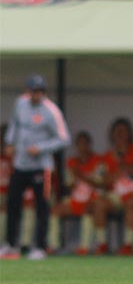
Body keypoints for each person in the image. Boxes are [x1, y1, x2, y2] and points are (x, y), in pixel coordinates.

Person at [0, 74, 70, 260]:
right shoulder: (20, 104)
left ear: (44, 93)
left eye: (39, 91)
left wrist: (40, 148)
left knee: (42, 206)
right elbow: (14, 124)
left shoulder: (51, 111)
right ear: (27, 91)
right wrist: (9, 142)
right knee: (13, 203)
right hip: (20, 164)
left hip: (41, 167)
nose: (36, 95)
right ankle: (11, 245)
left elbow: (64, 139)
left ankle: (39, 247)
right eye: (33, 91)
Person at [93, 117, 133, 255]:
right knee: (99, 203)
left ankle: (128, 246)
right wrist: (116, 173)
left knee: (130, 203)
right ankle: (102, 244)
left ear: (130, 134)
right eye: (117, 132)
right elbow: (102, 181)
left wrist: (128, 167)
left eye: (123, 132)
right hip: (115, 194)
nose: (120, 135)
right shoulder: (106, 156)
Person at [47, 131, 105, 255]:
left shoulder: (98, 161)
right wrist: (73, 178)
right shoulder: (72, 162)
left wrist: (81, 175)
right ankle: (53, 245)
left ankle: (85, 247)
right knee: (55, 210)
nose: (82, 147)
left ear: (90, 145)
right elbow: (68, 186)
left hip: (92, 198)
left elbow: (100, 184)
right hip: (76, 198)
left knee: (88, 211)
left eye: (85, 143)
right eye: (79, 144)